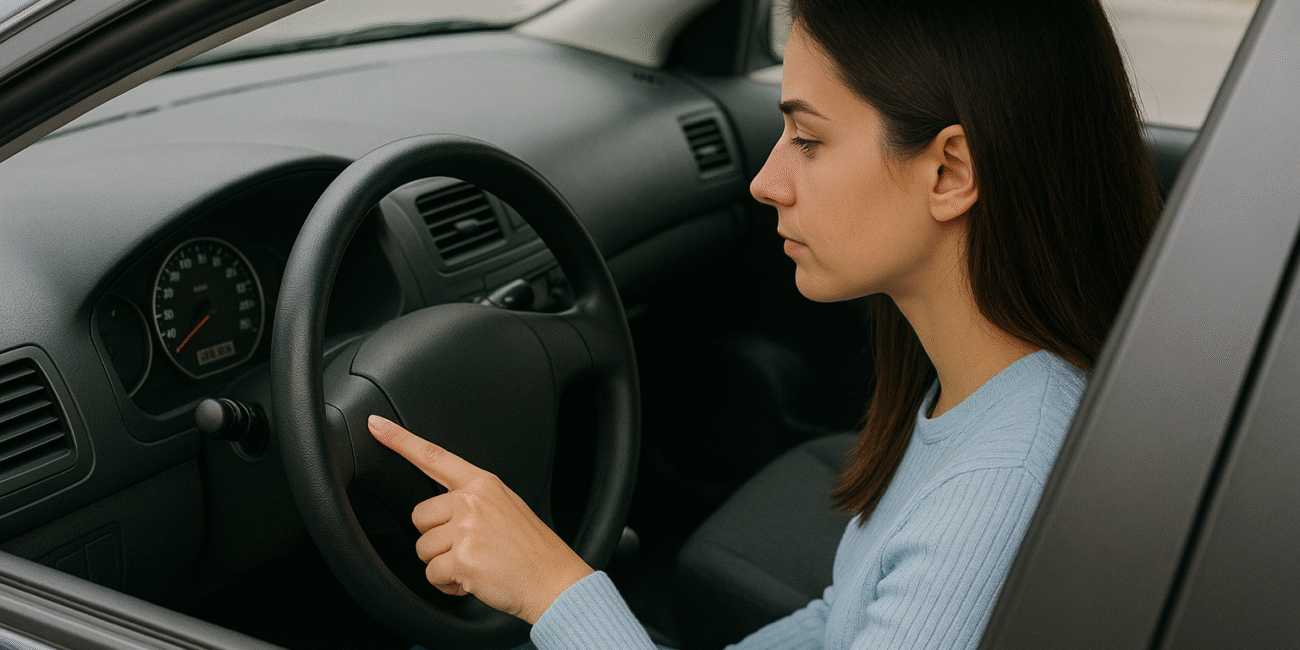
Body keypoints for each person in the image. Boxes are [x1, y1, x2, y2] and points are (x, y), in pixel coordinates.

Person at [367, 0, 1161, 648]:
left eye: (809, 140)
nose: (765, 180)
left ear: (950, 171)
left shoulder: (997, 493)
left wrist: (556, 592)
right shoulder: (984, 394)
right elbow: (840, 623)